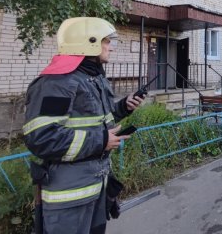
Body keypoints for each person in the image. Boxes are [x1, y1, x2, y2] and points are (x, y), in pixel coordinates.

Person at [23, 17, 145, 234]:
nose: (111, 48)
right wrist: (101, 141)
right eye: (107, 41)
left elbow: (97, 122)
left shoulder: (91, 78)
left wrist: (124, 108)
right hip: (69, 195)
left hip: (96, 186)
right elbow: (41, 137)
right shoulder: (58, 83)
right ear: (90, 42)